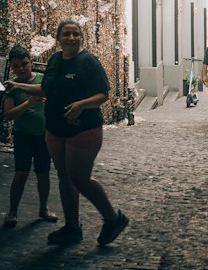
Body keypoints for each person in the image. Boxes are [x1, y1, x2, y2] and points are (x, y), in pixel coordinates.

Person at [9, 20, 128, 248]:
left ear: (81, 37)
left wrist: (81, 105)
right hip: (55, 129)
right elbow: (46, 90)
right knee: (64, 177)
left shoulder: (89, 62)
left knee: (79, 178)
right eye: (66, 34)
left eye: (75, 34)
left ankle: (113, 218)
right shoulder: (54, 60)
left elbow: (103, 94)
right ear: (59, 37)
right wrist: (19, 87)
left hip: (83, 130)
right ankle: (72, 228)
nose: (71, 38)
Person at [1, 44, 57, 227]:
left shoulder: (42, 81)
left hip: (43, 135)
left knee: (43, 173)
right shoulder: (12, 86)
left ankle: (43, 209)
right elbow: (9, 115)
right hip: (23, 135)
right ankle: (12, 211)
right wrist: (29, 102)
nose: (21, 69)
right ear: (11, 68)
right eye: (16, 66)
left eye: (24, 64)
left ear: (31, 62)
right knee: (21, 173)